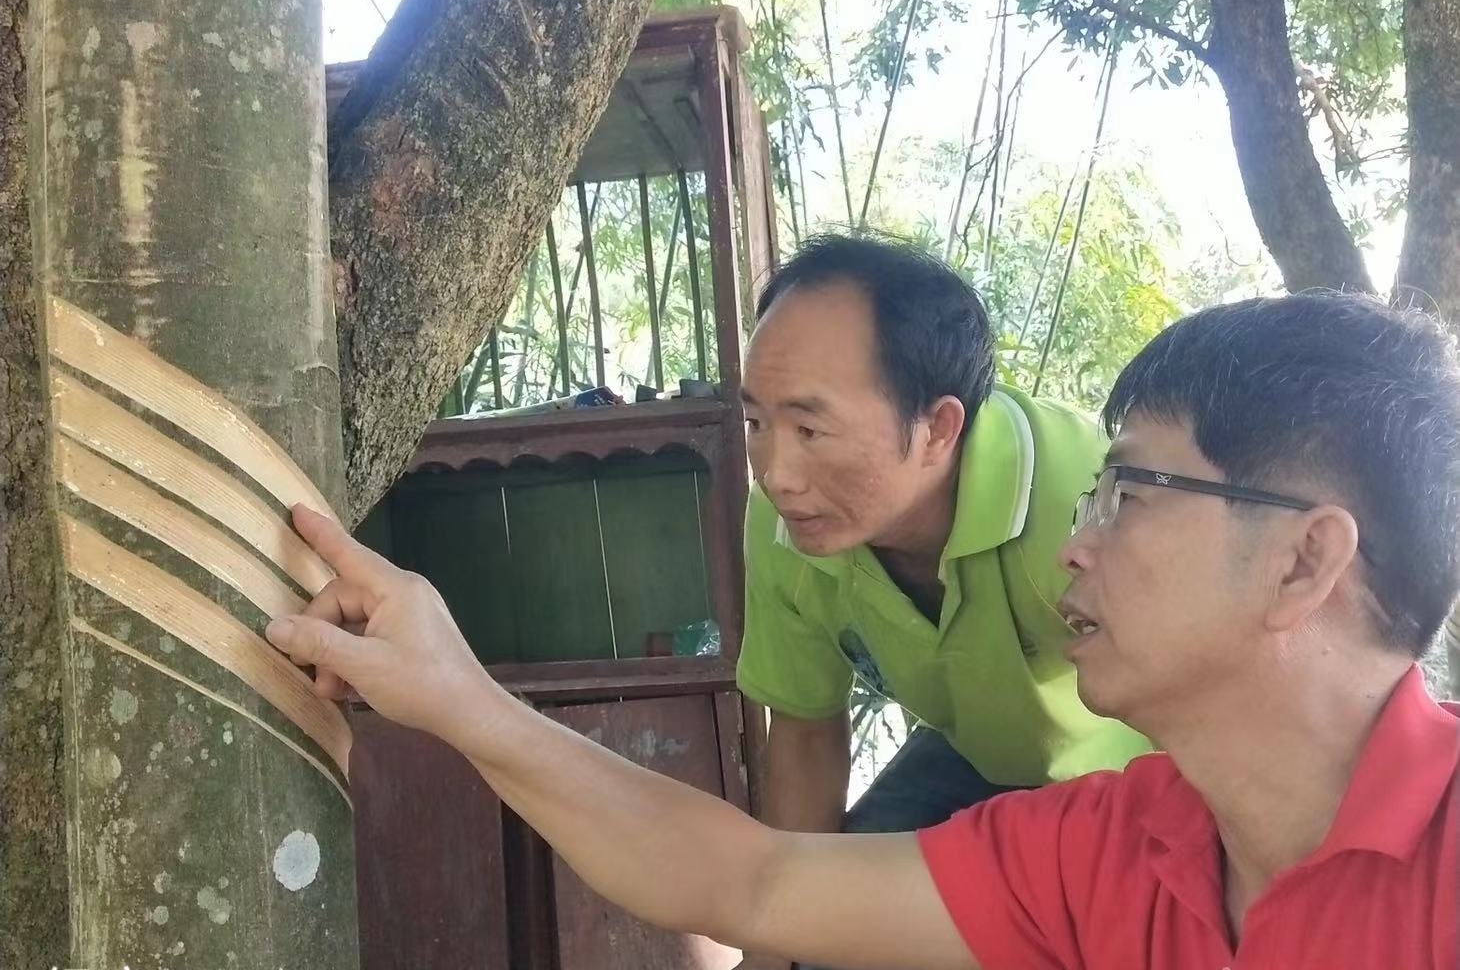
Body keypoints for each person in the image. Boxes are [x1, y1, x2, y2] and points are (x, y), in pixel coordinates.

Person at [269, 291, 1460, 969]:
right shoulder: (1107, 852)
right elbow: (755, 874)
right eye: (755, 421)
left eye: (1129, 493)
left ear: (1303, 558)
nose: (1078, 543)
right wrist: (460, 695)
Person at [736, 235, 1149, 874]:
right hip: (976, 754)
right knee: (841, 907)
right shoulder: (784, 522)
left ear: (939, 428)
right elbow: (805, 730)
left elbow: (1209, 708)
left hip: (1132, 771)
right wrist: (782, 922)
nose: (776, 475)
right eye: (756, 424)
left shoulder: (1081, 500)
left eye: (810, 429)